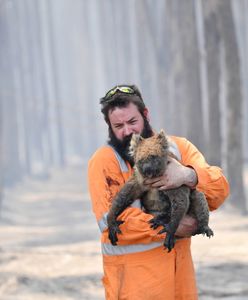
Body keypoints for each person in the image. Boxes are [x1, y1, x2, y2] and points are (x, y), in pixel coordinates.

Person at [87, 84, 229, 300]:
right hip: (134, 288)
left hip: (181, 283)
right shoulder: (104, 162)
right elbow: (109, 220)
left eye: (132, 122)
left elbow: (219, 190)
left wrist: (189, 176)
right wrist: (170, 227)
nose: (127, 131)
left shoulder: (178, 148)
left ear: (146, 114)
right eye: (118, 125)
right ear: (109, 126)